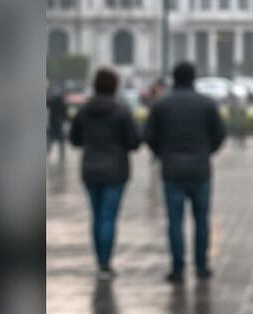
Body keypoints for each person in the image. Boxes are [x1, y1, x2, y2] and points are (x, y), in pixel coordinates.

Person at [144, 62, 226, 283]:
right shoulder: (206, 104)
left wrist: (163, 154)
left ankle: (178, 268)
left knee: (175, 221)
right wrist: (206, 151)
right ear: (193, 78)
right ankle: (201, 266)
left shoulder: (161, 105)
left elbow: (149, 136)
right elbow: (219, 134)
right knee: (201, 219)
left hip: (172, 170)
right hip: (200, 169)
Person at [69, 68, 141, 278]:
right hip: (116, 169)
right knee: (108, 216)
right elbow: (133, 142)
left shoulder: (84, 110)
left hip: (90, 168)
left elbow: (75, 139)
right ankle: (105, 263)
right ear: (115, 86)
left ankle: (99, 260)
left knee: (97, 215)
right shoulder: (121, 111)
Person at [46, 80, 68, 163]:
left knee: (50, 142)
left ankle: (47, 157)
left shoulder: (50, 100)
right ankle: (62, 158)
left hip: (52, 124)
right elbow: (65, 114)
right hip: (59, 124)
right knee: (61, 143)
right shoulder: (61, 101)